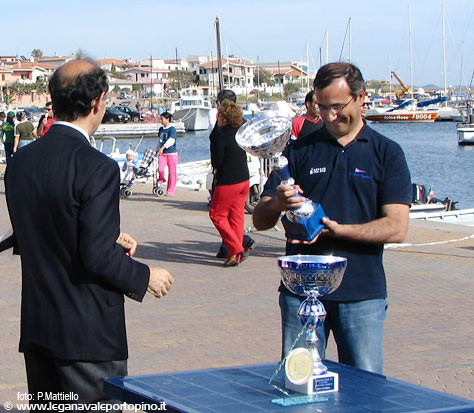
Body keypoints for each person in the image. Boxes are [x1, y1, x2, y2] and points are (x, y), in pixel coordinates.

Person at [4, 58, 174, 410]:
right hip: (87, 336)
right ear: (98, 102)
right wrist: (145, 276)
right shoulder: (97, 167)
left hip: (40, 329)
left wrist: (104, 236)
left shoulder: (20, 162)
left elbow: (38, 232)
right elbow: (95, 256)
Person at [252, 62, 411, 374]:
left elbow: (397, 227)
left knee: (367, 390)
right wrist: (277, 205)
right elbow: (259, 220)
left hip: (361, 294)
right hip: (300, 293)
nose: (329, 116)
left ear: (361, 97)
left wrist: (339, 230)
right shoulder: (297, 151)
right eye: (321, 107)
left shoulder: (387, 153)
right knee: (299, 383)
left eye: (337, 107)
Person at [209, 89, 256, 259]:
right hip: (243, 178)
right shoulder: (240, 129)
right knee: (236, 216)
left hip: (228, 180)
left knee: (217, 214)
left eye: (219, 115)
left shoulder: (222, 136)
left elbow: (217, 161)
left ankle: (236, 248)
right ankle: (232, 253)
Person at [155, 111, 178, 196]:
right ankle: (161, 178)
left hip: (171, 153)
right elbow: (158, 140)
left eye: (162, 119)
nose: (161, 120)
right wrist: (156, 149)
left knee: (172, 172)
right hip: (162, 154)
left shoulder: (172, 129)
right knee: (160, 168)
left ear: (167, 119)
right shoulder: (161, 129)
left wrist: (163, 148)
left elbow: (171, 140)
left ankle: (170, 190)